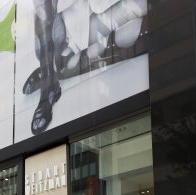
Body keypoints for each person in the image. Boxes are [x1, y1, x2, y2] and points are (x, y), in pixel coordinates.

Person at [23, 0, 147, 134]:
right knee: (47, 41)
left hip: (106, 13)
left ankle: (48, 74)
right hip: (74, 14)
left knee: (117, 40)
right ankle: (48, 80)